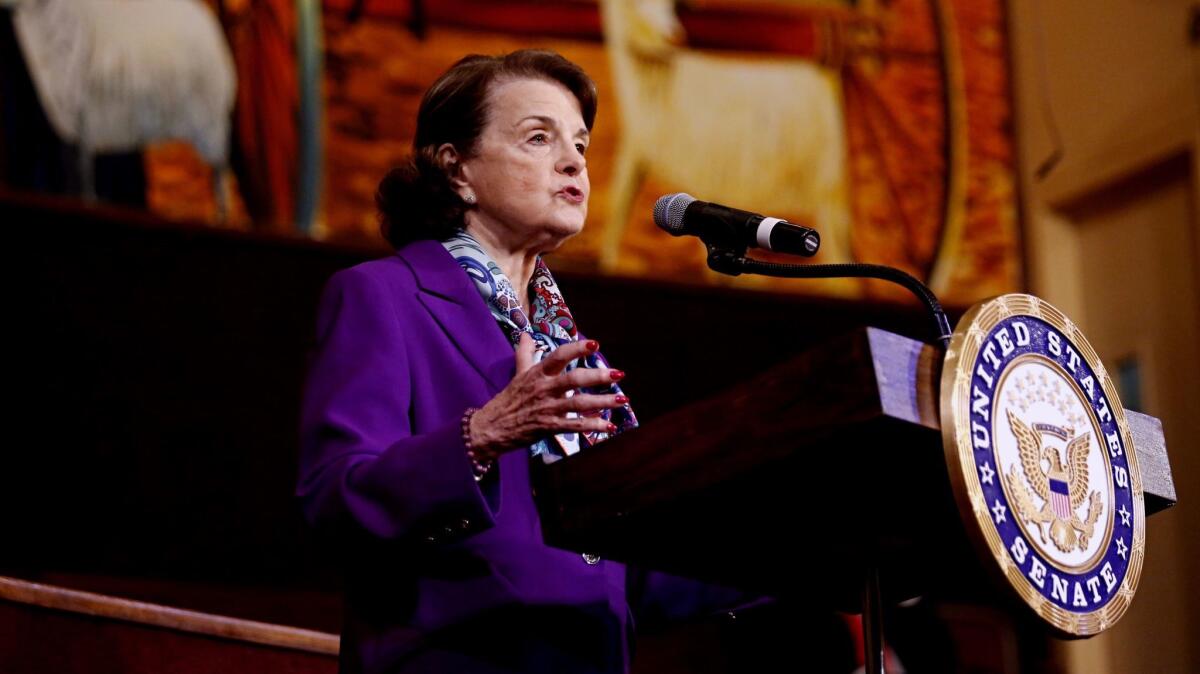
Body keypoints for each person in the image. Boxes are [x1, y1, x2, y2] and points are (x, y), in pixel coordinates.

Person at [297, 50, 747, 674]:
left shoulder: (569, 344)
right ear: (457, 169)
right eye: (539, 137)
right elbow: (335, 501)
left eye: (581, 145)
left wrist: (810, 550)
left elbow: (634, 577)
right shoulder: (383, 297)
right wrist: (482, 435)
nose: (574, 162)